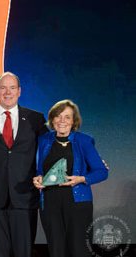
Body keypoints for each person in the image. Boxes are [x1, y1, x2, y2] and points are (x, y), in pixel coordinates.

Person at [0, 71, 48, 257]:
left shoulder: (35, 119)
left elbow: (50, 150)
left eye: (12, 88)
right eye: (3, 88)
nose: (7, 92)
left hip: (25, 195)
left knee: (23, 251)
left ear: (19, 91)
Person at [33, 99, 108, 257]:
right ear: (52, 119)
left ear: (74, 121)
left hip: (78, 203)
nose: (62, 121)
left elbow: (102, 171)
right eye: (58, 116)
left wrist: (81, 179)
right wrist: (38, 178)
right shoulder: (43, 140)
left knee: (79, 250)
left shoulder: (84, 141)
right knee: (56, 250)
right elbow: (39, 170)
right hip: (50, 203)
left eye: (67, 117)